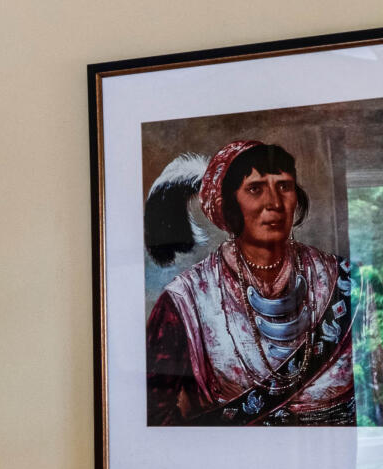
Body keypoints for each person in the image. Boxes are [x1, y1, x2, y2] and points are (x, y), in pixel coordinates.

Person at [145, 139, 357, 427]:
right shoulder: (185, 301)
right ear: (228, 206)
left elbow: (381, 394)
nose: (274, 202)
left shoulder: (348, 281)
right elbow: (154, 420)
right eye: (255, 189)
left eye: (284, 186)